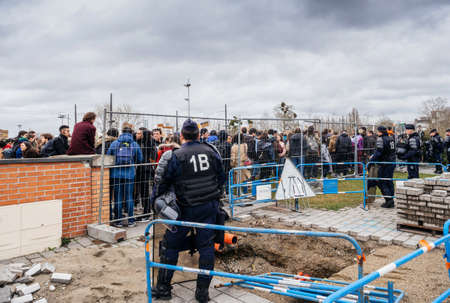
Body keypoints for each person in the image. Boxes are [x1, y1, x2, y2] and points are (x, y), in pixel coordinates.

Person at [150, 119, 226, 302]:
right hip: (208, 207)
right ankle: (202, 293)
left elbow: (162, 183)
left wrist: (157, 203)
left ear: (182, 136)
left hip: (184, 209)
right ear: (199, 135)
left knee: (170, 246)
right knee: (206, 247)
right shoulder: (211, 152)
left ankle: (163, 289)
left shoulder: (175, 156)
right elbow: (221, 177)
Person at [107, 123, 143, 227]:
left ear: (121, 133)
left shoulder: (114, 143)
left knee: (117, 197)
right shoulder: (135, 144)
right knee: (129, 197)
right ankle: (131, 220)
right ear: (131, 133)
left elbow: (109, 157)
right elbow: (140, 159)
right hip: (129, 174)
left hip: (116, 174)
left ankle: (118, 221)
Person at [370, 126, 396, 208]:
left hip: (384, 163)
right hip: (392, 162)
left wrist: (371, 161)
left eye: (378, 131)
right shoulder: (391, 138)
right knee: (389, 181)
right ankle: (391, 198)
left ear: (380, 132)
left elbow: (379, 152)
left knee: (382, 182)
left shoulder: (380, 139)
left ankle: (389, 200)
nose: (377, 133)